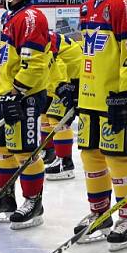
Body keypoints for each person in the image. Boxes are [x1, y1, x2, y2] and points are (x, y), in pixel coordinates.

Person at [75, 0, 127, 250]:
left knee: (117, 158)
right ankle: (100, 213)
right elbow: (86, 52)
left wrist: (126, 95)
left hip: (115, 99)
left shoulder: (124, 5)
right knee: (90, 154)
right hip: (90, 96)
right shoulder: (87, 6)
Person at [0, 0, 50, 226]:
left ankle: (33, 201)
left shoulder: (30, 17)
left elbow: (35, 64)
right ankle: (6, 197)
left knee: (25, 151)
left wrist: (16, 91)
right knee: (0, 148)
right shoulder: (12, 16)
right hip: (6, 94)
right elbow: (11, 60)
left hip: (24, 96)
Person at [41, 30, 82, 179]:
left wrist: (60, 87)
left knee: (57, 118)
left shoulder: (38, 39)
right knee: (45, 112)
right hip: (69, 71)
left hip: (75, 73)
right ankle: (49, 152)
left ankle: (65, 164)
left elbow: (55, 64)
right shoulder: (34, 36)